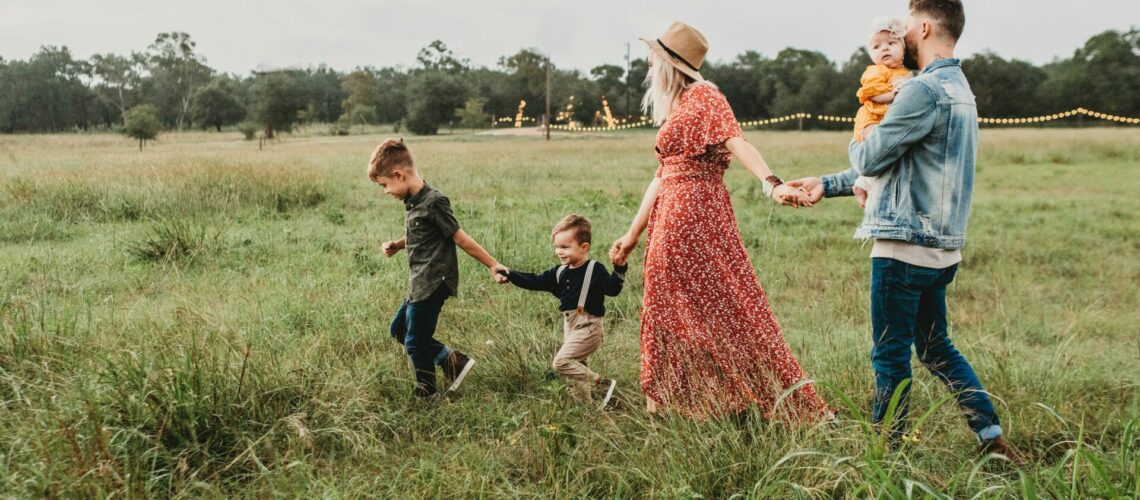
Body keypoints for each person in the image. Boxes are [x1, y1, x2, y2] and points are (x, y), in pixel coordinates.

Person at [788, 0, 1025, 463]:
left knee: (889, 357)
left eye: (905, 29)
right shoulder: (960, 88)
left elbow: (872, 158)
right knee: (936, 348)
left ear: (923, 25)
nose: (899, 38)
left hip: (903, 248)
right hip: (942, 249)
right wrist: (827, 184)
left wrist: (859, 131)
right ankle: (991, 439)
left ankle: (885, 455)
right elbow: (904, 163)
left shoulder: (921, 91)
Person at [609, 21, 830, 421]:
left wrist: (772, 184)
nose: (646, 65)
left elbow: (737, 140)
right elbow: (661, 176)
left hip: (694, 215)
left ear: (669, 63)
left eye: (652, 58)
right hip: (672, 215)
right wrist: (632, 233)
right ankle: (679, 405)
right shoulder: (678, 106)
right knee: (673, 310)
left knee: (723, 308)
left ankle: (734, 400)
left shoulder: (705, 96)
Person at [370, 138, 507, 399]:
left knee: (415, 341)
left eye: (385, 185)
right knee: (399, 329)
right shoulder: (413, 201)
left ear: (399, 175)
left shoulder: (434, 202)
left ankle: (427, 392)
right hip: (418, 281)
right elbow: (421, 235)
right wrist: (398, 244)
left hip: (434, 282)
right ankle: (452, 361)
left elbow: (460, 238)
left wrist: (493, 265)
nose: (385, 191)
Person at [497, 214, 625, 408]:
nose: (559, 252)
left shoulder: (594, 269)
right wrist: (509, 274)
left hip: (589, 326)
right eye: (557, 247)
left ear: (584, 247)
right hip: (570, 325)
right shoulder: (560, 272)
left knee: (562, 362)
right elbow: (534, 281)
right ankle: (586, 409)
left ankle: (601, 385)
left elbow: (613, 290)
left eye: (565, 247)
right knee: (577, 369)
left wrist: (619, 268)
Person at [852, 17, 913, 209]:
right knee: (878, 146)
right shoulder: (876, 71)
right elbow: (871, 94)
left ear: (903, 49)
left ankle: (863, 183)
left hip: (885, 118)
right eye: (877, 47)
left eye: (891, 43)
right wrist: (891, 95)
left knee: (889, 152)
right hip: (872, 118)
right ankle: (865, 184)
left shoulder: (906, 72)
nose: (884, 49)